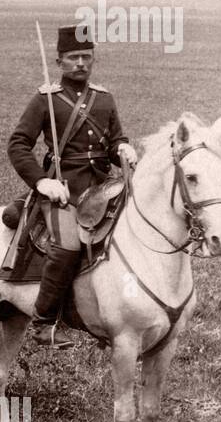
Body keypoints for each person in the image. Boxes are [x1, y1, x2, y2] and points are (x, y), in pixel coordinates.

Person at [7, 25, 138, 348]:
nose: (81, 63)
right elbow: (18, 144)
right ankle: (44, 322)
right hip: (64, 191)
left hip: (103, 189)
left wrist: (123, 148)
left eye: (86, 57)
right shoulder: (46, 100)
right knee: (68, 246)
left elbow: (115, 140)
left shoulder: (104, 99)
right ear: (59, 61)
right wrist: (42, 182)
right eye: (73, 58)